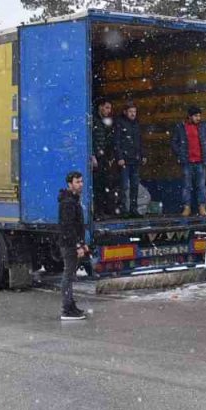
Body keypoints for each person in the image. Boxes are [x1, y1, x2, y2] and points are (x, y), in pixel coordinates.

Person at [57, 171, 90, 321]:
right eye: (77, 182)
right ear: (70, 184)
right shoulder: (68, 203)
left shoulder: (73, 200)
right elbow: (68, 227)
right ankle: (67, 309)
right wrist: (77, 245)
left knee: (70, 275)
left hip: (72, 243)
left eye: (81, 181)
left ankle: (70, 305)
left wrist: (82, 244)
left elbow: (77, 226)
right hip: (69, 244)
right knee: (68, 275)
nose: (81, 184)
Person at [171, 105, 206, 216]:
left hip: (200, 162)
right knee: (186, 186)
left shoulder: (203, 126)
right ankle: (186, 208)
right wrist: (180, 153)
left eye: (199, 115)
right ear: (189, 116)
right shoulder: (181, 127)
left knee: (201, 186)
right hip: (187, 162)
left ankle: (202, 208)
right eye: (196, 116)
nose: (198, 118)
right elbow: (174, 143)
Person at [113, 101, 145, 217]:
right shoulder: (120, 123)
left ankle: (133, 209)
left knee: (135, 185)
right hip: (125, 160)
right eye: (131, 111)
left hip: (135, 159)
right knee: (124, 186)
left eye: (134, 111)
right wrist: (120, 157)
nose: (133, 114)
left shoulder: (136, 124)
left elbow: (140, 141)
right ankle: (123, 209)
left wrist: (143, 155)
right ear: (125, 112)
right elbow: (116, 142)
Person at [91, 100, 117, 218]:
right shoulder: (94, 120)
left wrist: (110, 156)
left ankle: (103, 211)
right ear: (100, 107)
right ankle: (97, 212)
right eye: (106, 108)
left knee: (105, 184)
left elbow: (109, 140)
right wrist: (92, 155)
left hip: (104, 157)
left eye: (110, 108)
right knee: (97, 185)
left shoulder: (106, 122)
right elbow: (91, 138)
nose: (108, 111)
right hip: (96, 157)